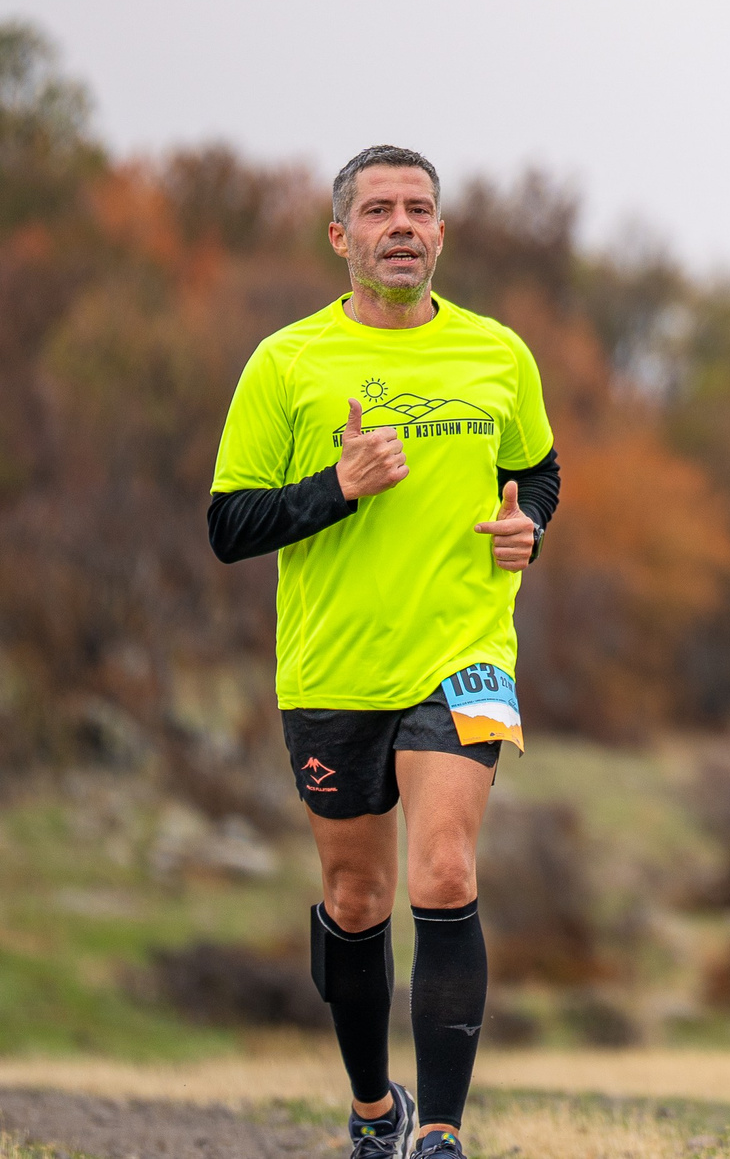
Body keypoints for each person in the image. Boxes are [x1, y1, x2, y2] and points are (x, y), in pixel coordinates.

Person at [208, 146, 560, 1159]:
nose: (400, 224)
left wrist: (526, 527)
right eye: (378, 211)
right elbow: (229, 524)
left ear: (442, 233)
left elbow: (536, 473)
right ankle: (375, 1110)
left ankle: (441, 1135)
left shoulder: (498, 353)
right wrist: (337, 488)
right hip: (332, 671)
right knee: (356, 899)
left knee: (444, 872)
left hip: (463, 652)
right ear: (342, 237)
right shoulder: (286, 364)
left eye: (418, 209)